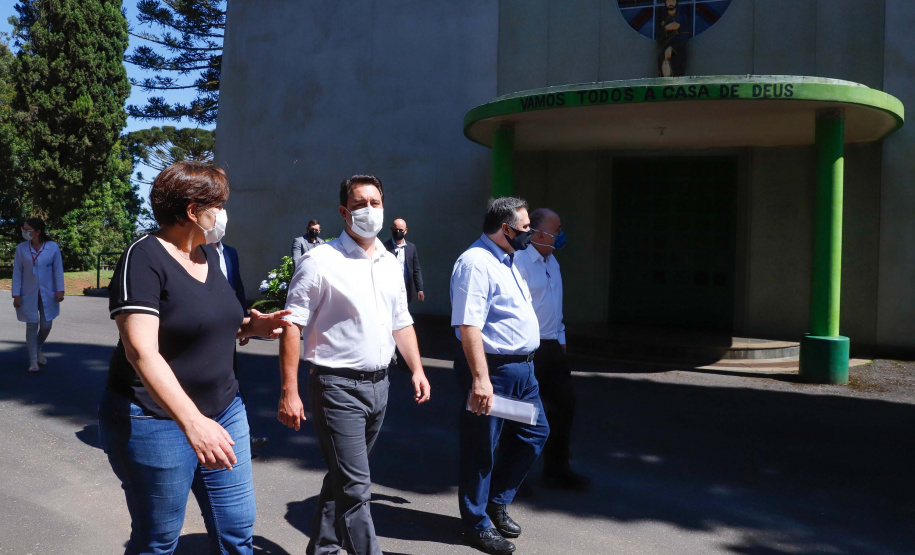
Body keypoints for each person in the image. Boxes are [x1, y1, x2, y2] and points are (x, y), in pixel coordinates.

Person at [98, 161, 294, 555]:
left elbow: (203, 324)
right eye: (218, 204)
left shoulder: (209, 255)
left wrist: (249, 328)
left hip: (224, 409)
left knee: (236, 530)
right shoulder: (144, 257)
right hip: (156, 419)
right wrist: (193, 423)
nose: (223, 213)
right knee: (158, 541)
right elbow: (142, 351)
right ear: (192, 211)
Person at [278, 174, 431, 555]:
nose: (369, 210)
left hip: (380, 387)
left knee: (343, 479)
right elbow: (291, 325)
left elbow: (402, 321)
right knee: (357, 488)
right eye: (360, 203)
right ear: (344, 211)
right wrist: (289, 391)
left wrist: (417, 368)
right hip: (336, 387)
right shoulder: (320, 261)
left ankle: (324, 549)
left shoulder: (389, 262)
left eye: (375, 202)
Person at [450, 197, 550, 555]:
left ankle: (495, 501)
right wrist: (481, 379)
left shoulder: (508, 259)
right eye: (526, 228)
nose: (532, 233)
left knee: (535, 432)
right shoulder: (475, 263)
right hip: (493, 372)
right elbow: (469, 325)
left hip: (523, 371)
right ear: (505, 229)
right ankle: (476, 524)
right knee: (482, 447)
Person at [514, 208, 590, 492]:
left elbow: (555, 308)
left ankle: (557, 470)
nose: (560, 235)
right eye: (556, 230)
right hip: (528, 348)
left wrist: (561, 341)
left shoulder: (552, 262)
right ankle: (513, 475)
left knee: (564, 406)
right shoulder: (520, 261)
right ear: (539, 233)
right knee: (522, 413)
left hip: (552, 349)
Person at [215, 240, 269, 451]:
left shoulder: (230, 252)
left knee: (232, 380)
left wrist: (244, 322)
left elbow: (237, 286)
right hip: (206, 327)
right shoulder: (197, 251)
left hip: (229, 327)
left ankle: (241, 437)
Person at [11, 217, 65, 372]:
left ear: (38, 231)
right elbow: (17, 273)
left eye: (27, 230)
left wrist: (60, 290)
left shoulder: (52, 247)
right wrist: (16, 295)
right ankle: (33, 360)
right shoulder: (21, 248)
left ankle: (38, 347)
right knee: (32, 325)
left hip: (48, 293)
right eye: (23, 229)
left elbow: (58, 270)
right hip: (28, 292)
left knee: (46, 325)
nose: (24, 232)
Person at [383, 218, 425, 303]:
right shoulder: (384, 248)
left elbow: (416, 270)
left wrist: (420, 289)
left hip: (406, 290)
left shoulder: (411, 248)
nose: (398, 232)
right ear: (392, 229)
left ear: (405, 231)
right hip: (389, 289)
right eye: (396, 230)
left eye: (400, 230)